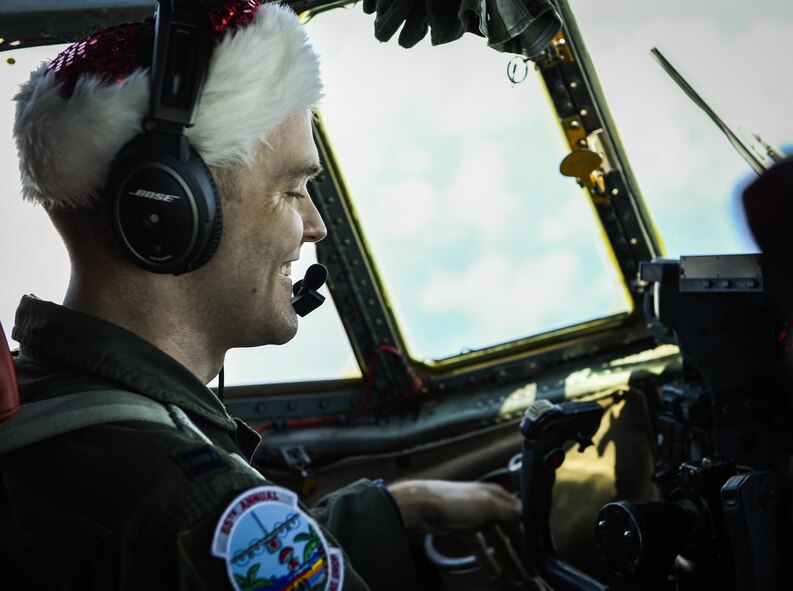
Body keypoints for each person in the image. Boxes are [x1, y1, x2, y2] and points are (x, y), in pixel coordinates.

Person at [0, 1, 531, 590]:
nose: (316, 226)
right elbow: (183, 533)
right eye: (294, 189)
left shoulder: (36, 405)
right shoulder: (189, 501)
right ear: (168, 210)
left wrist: (402, 507)